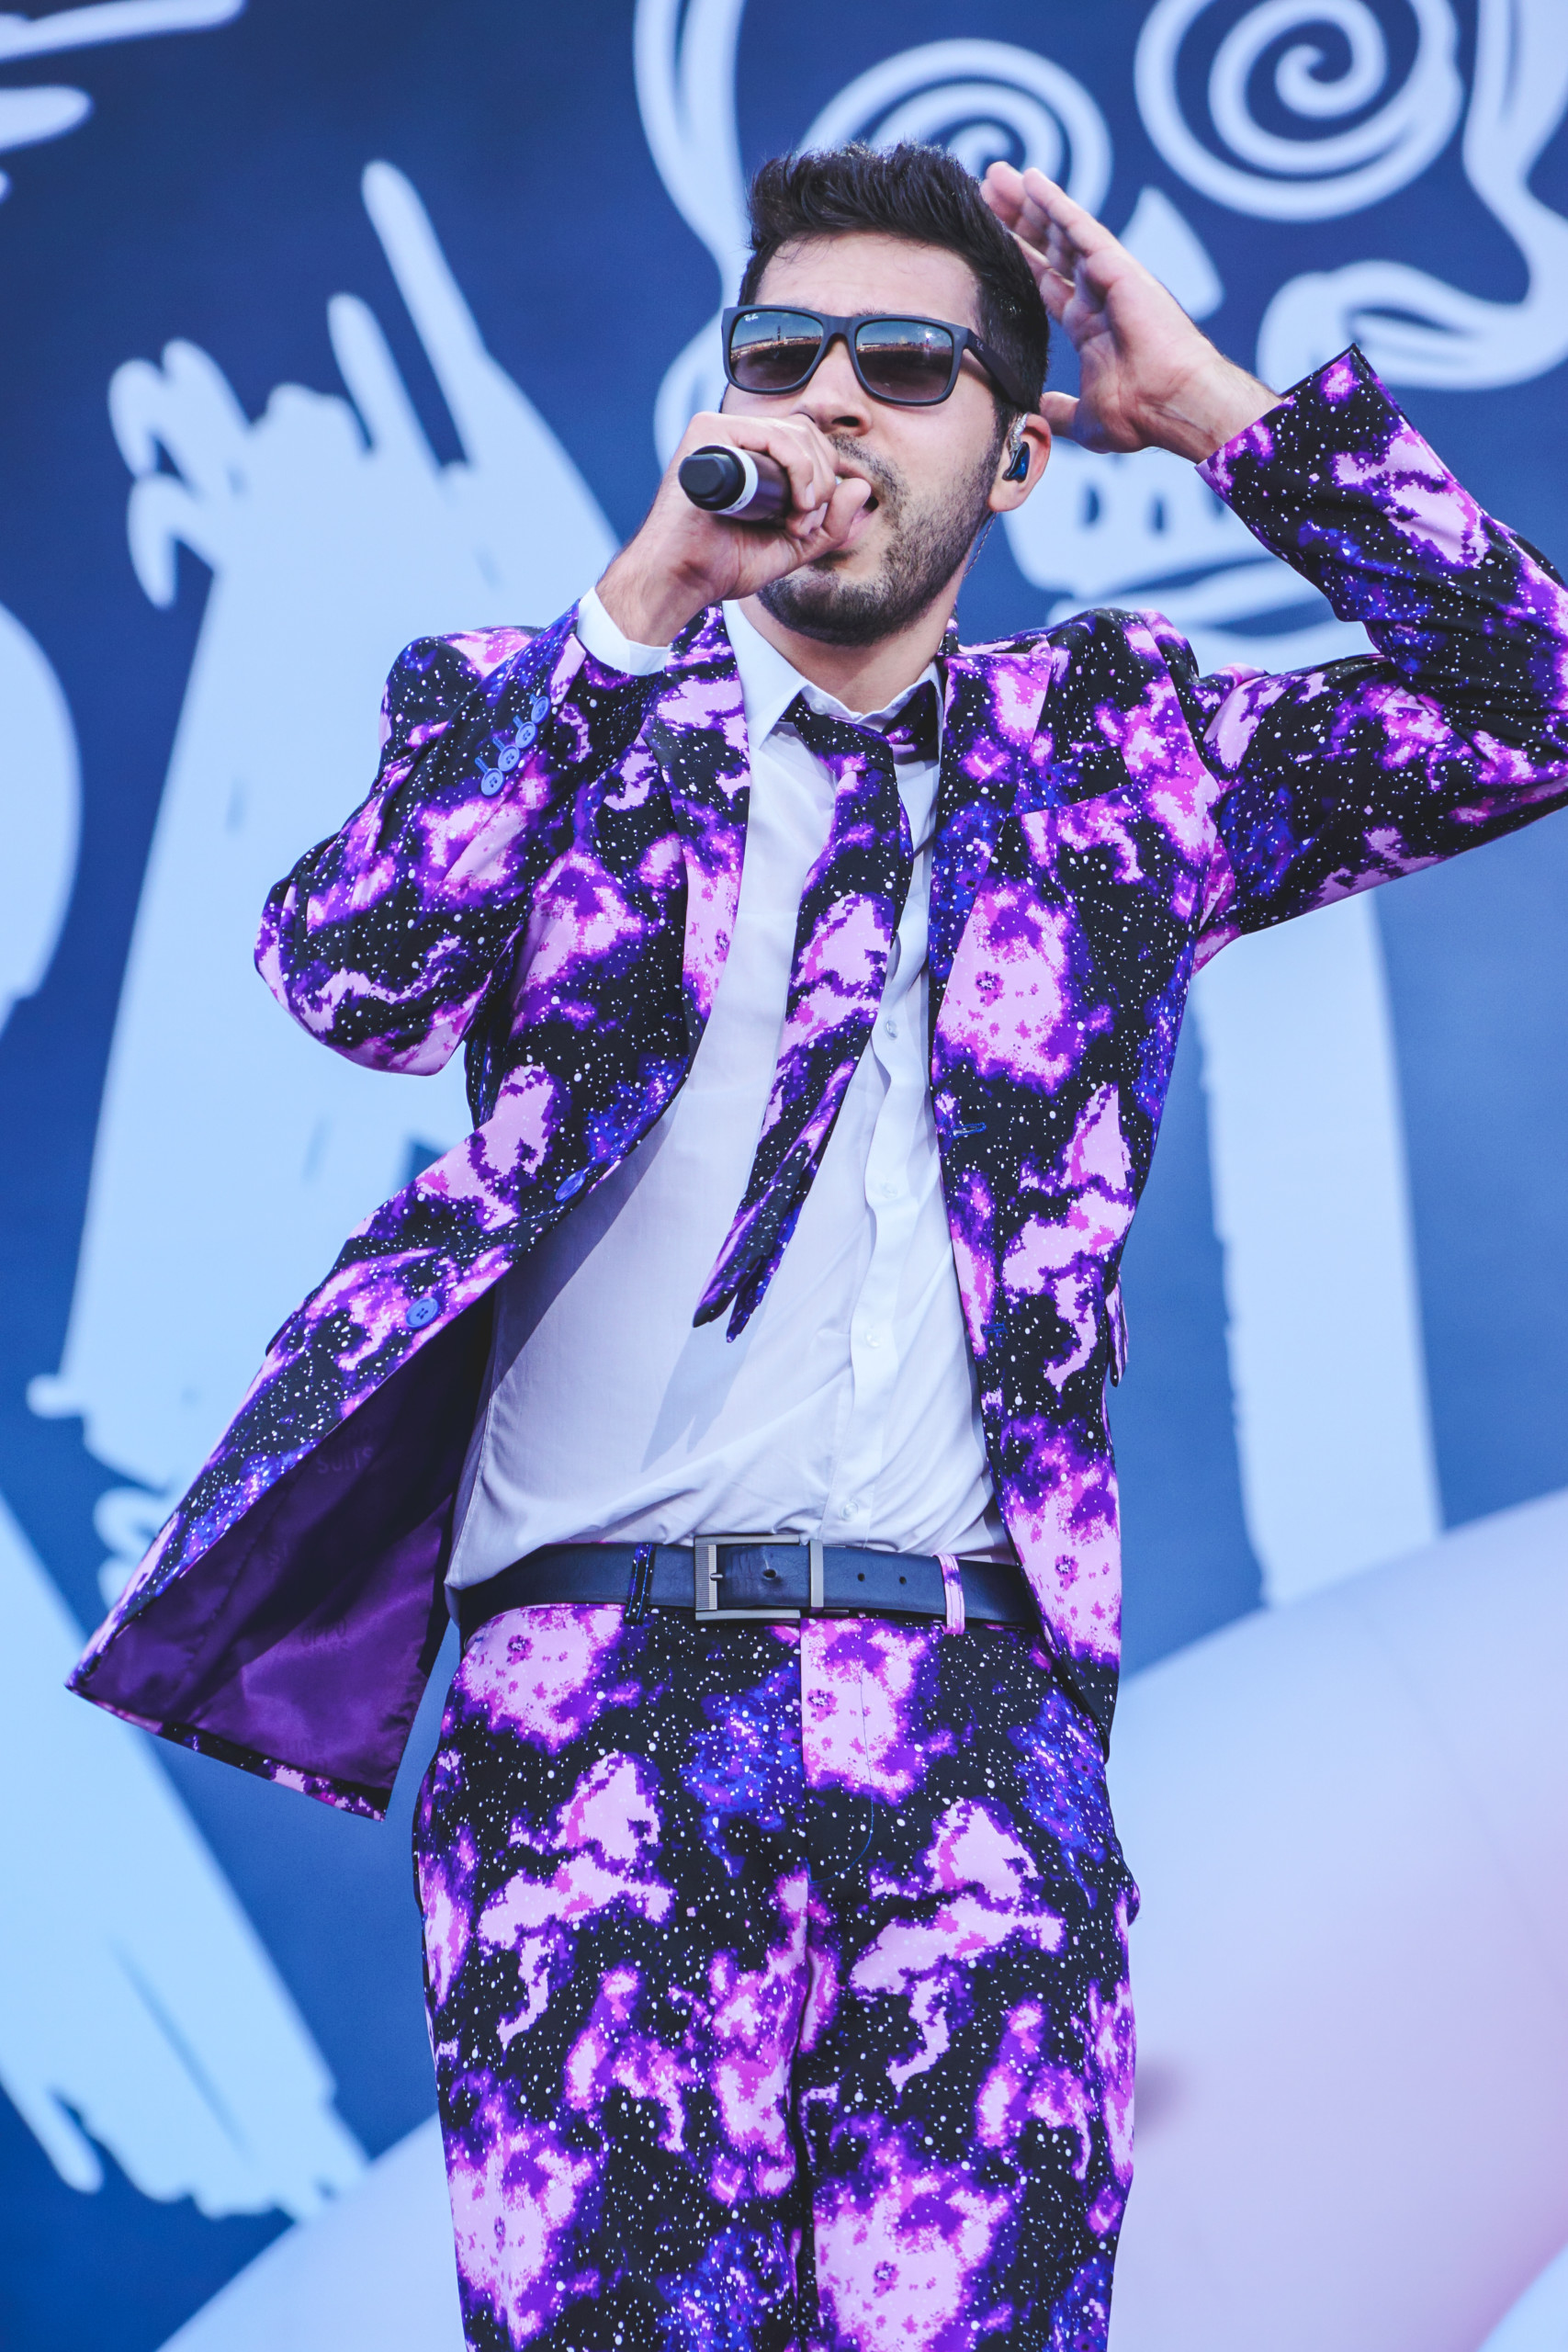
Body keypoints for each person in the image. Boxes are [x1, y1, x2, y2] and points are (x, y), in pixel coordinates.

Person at [70, 143, 1568, 2350]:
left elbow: (1532, 699)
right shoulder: (550, 711)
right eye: (781, 354)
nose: (833, 402)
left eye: (904, 365)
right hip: (586, 1702)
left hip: (964, 1712)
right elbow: (356, 974)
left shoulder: (1115, 754)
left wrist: (1214, 413)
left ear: (1018, 454)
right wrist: (640, 605)